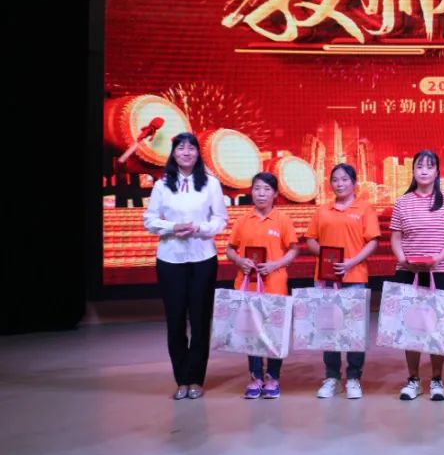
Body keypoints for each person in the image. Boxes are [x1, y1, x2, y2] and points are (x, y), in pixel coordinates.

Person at [143, 132, 227, 400]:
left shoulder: (211, 184)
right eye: (181, 148)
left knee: (200, 321)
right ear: (174, 154)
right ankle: (181, 379)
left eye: (191, 148)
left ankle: (196, 380)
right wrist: (172, 227)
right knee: (176, 320)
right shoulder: (161, 185)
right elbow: (149, 220)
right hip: (170, 260)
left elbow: (220, 219)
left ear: (198, 153)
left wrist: (200, 228)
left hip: (203, 259)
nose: (186, 152)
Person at [389, 150, 444, 401]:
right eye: (419, 166)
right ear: (413, 171)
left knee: (438, 326)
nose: (424, 171)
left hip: (440, 271)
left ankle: (437, 379)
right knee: (411, 326)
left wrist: (438, 258)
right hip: (408, 272)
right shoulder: (402, 202)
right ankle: (413, 379)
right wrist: (403, 259)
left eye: (430, 166)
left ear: (437, 172)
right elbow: (395, 237)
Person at [305, 163, 380, 399]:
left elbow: (372, 242)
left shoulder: (365, 208)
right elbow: (310, 239)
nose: (340, 184)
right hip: (327, 278)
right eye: (335, 180)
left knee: (354, 329)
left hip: (354, 276)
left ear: (354, 183)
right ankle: (332, 377)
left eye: (345, 179)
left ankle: (354, 377)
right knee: (329, 327)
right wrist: (326, 258)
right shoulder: (322, 210)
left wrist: (350, 262)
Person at [224, 172, 300, 399]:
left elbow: (294, 249)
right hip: (247, 284)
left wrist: (275, 264)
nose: (261, 193)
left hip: (274, 284)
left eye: (267, 189)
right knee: (252, 333)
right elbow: (230, 249)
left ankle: (273, 377)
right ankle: (255, 377)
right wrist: (240, 261)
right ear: (251, 192)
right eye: (257, 188)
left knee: (274, 332)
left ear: (275, 194)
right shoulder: (242, 220)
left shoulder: (282, 220)